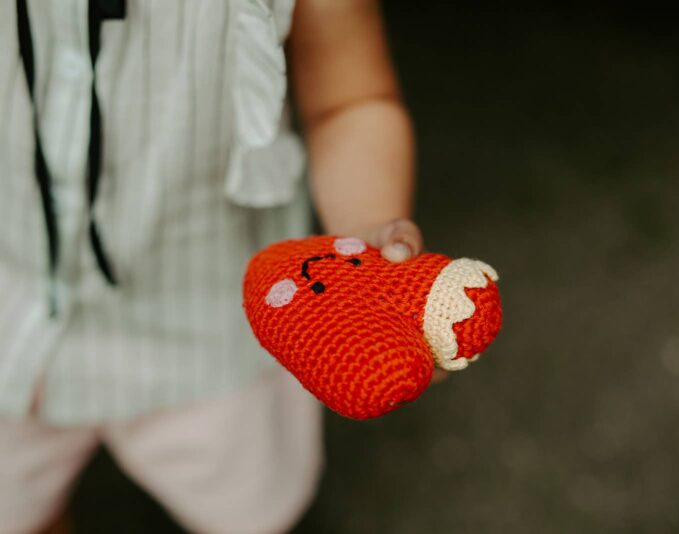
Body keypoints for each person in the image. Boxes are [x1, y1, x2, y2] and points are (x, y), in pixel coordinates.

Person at [0, 0, 443, 531]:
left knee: (249, 509)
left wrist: (370, 244)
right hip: (11, 305)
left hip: (215, 323)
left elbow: (348, 100)